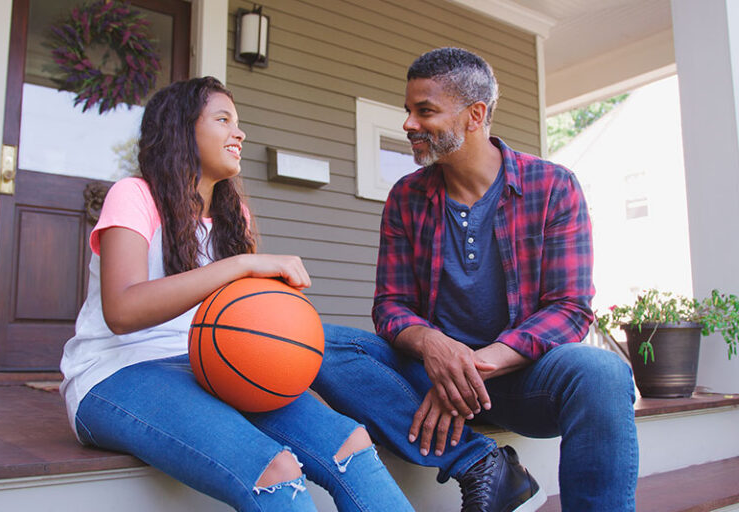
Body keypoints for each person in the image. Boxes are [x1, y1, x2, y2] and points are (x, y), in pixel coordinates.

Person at [59, 76, 414, 512]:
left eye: (238, 121)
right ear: (181, 129)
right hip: (118, 371)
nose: (239, 132)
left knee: (350, 444)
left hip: (212, 363)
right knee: (275, 472)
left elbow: (243, 315)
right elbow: (122, 309)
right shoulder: (135, 195)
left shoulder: (233, 216)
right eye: (223, 119)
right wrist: (242, 265)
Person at [312, 48, 639, 512]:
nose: (408, 123)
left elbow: (569, 308)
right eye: (408, 110)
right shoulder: (406, 197)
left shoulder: (553, 187)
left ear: (475, 115)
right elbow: (390, 306)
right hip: (427, 374)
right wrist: (433, 347)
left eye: (424, 111)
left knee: (603, 373)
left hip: (525, 378)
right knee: (316, 344)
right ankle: (482, 464)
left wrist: (469, 370)